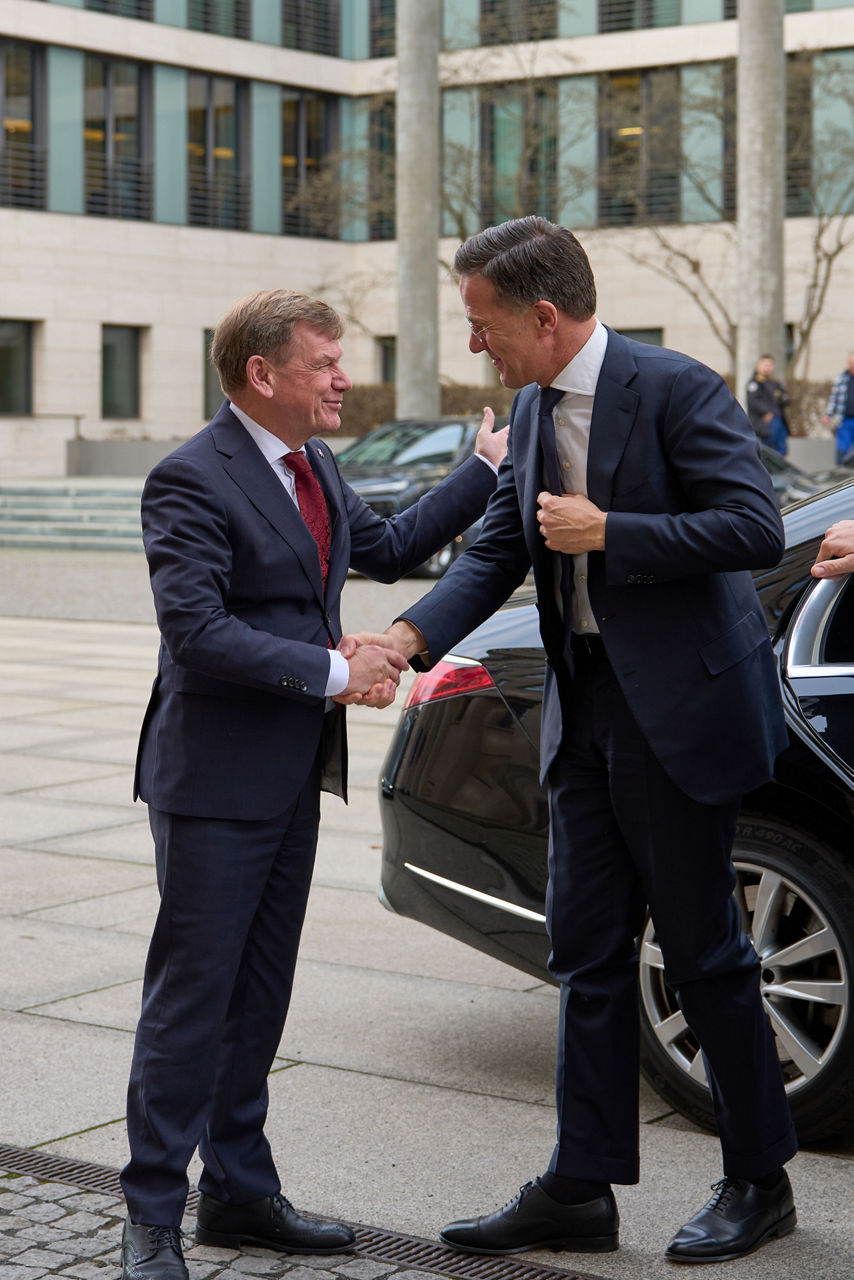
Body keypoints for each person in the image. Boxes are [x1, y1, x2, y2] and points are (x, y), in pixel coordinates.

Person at [383, 217, 798, 1265]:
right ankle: (581, 1185)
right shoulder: (530, 407)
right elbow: (498, 549)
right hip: (583, 707)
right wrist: (404, 638)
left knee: (702, 953)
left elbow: (753, 526)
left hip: (678, 713)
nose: (474, 344)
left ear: (543, 316)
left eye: (482, 323)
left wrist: (613, 530)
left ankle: (760, 1181)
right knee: (584, 949)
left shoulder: (676, 387)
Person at [120, 289, 507, 1280]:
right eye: (325, 362)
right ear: (262, 374)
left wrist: (482, 470)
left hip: (290, 773)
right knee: (192, 999)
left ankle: (239, 1194)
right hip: (213, 782)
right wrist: (337, 670)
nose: (343, 378)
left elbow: (387, 548)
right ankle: (151, 1215)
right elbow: (196, 632)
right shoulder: (188, 477)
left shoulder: (316, 464)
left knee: (259, 993)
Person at [746, 354, 789, 455]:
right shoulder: (754, 383)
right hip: (766, 420)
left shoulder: (774, 383)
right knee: (768, 449)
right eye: (764, 364)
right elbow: (753, 401)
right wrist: (767, 412)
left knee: (782, 449)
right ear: (758, 365)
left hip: (778, 419)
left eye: (769, 365)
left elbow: (784, 398)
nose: (767, 367)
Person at [822, 351, 854, 464]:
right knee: (842, 449)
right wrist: (828, 415)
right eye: (851, 363)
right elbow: (834, 399)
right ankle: (841, 470)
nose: (852, 365)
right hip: (845, 420)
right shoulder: (841, 379)